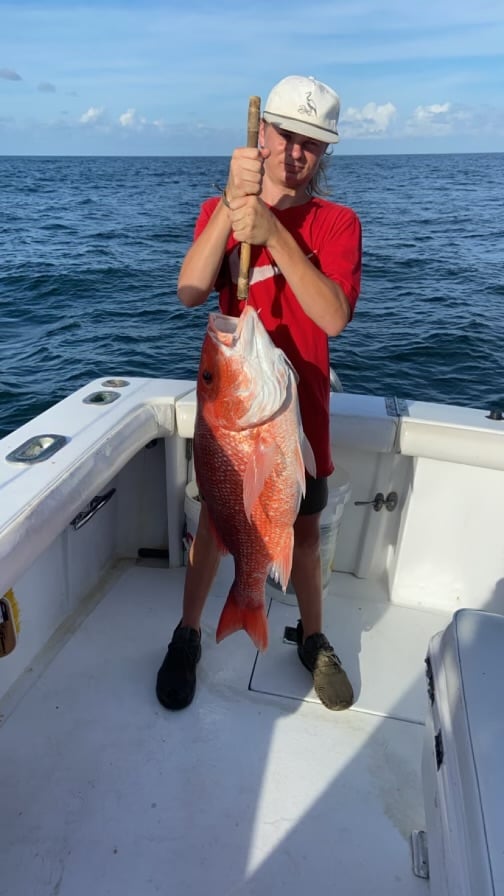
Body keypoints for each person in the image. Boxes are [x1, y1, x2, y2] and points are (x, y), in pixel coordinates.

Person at [156, 75, 362, 712]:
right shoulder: (221, 209)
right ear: (261, 134)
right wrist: (229, 205)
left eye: (312, 143)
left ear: (324, 153)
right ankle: (189, 633)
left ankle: (314, 637)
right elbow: (191, 290)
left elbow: (331, 317)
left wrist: (272, 233)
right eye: (285, 136)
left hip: (299, 416)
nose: (296, 153)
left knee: (301, 530)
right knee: (217, 522)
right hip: (233, 418)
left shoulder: (335, 223)